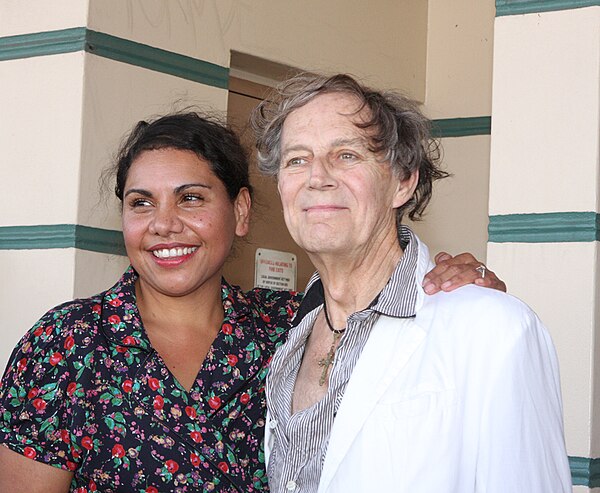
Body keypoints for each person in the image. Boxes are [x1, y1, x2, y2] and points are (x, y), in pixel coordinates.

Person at [252, 73, 571, 492]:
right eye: (297, 159)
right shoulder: (285, 333)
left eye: (346, 155)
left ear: (403, 181)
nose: (317, 177)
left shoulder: (493, 329)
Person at [0, 113, 303, 492]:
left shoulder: (290, 328)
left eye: (190, 198)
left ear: (240, 211)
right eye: (141, 203)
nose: (164, 224)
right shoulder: (66, 343)